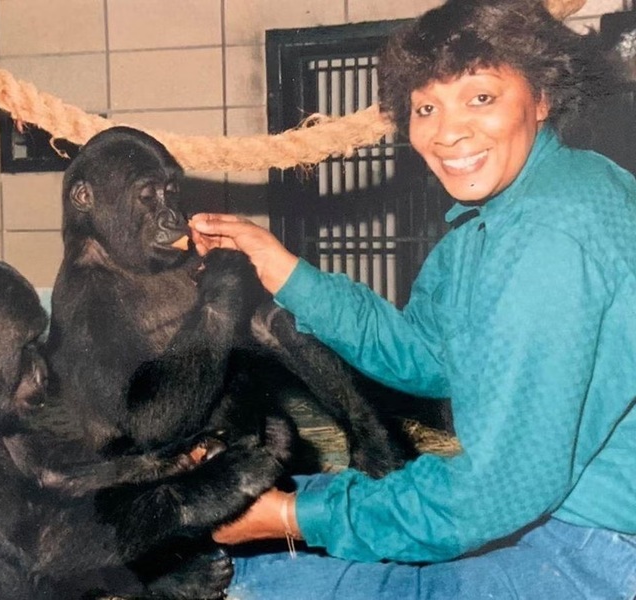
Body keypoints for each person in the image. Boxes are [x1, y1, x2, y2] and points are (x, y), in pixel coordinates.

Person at [189, 0, 636, 598]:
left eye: (480, 97)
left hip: (603, 547)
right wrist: (282, 269)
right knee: (267, 521)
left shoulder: (549, 234)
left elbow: (489, 493)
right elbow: (426, 355)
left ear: (541, 98)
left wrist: (291, 519)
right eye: (427, 107)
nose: (447, 132)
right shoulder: (500, 215)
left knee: (254, 579)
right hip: (551, 508)